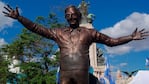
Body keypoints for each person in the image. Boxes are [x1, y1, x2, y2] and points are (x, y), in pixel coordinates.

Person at [3, 4, 149, 84]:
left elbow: (111, 41)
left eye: (74, 15)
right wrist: (20, 18)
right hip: (65, 74)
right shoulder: (58, 32)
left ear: (79, 16)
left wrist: (130, 37)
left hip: (82, 74)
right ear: (66, 18)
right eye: (68, 15)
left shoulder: (89, 33)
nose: (71, 17)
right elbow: (37, 28)